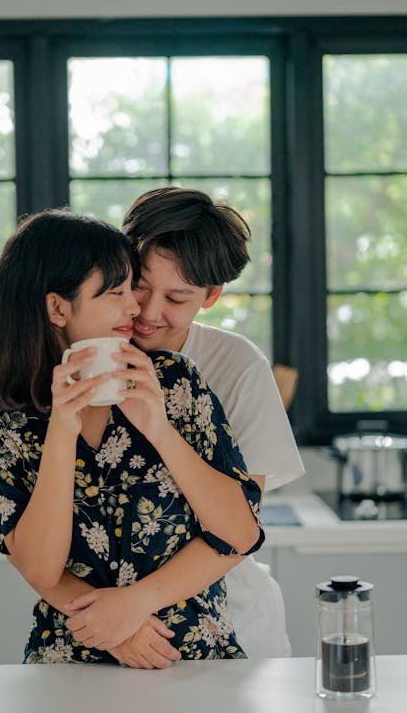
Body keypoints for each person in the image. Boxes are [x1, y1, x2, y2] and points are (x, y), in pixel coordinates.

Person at [0, 208, 265, 665]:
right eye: (118, 292)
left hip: (191, 660)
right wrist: (62, 433)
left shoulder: (174, 380)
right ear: (57, 307)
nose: (137, 308)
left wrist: (158, 428)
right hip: (71, 662)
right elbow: (41, 568)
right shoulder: (1, 422)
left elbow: (241, 532)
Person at [121, 186, 305, 658]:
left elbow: (239, 529)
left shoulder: (236, 365)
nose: (148, 311)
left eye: (177, 298)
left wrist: (133, 605)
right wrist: (117, 619)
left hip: (235, 625)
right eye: (139, 285)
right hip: (106, 633)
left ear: (211, 295)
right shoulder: (82, 354)